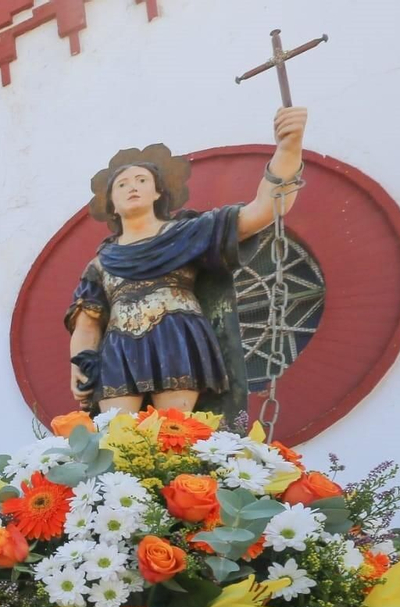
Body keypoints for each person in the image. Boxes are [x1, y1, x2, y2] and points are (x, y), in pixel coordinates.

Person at [66, 107, 308, 418]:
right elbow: (87, 323)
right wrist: (80, 363)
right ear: (111, 202)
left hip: (175, 335)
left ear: (158, 193)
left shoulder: (188, 233)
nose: (132, 187)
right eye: (122, 185)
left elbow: (263, 210)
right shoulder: (100, 263)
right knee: (114, 435)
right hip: (119, 346)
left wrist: (289, 147)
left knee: (176, 432)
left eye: (141, 180)